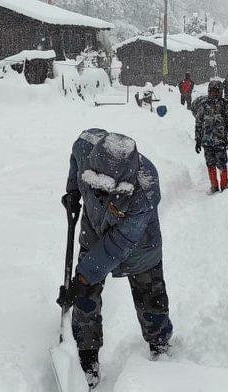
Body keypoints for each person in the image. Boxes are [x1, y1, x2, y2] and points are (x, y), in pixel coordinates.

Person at [58, 129, 174, 388]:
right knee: (85, 301)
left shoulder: (146, 187)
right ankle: (86, 358)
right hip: (93, 234)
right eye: (95, 185)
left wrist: (82, 278)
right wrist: (73, 190)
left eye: (107, 189)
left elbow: (119, 244)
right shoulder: (86, 146)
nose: (99, 193)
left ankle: (160, 344)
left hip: (141, 248)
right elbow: (76, 157)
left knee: (151, 298)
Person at [193, 80, 228, 193]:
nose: (214, 93)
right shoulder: (203, 105)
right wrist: (198, 140)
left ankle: (224, 186)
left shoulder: (225, 105)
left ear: (220, 92)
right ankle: (214, 185)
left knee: (221, 163)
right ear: (209, 91)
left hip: (220, 141)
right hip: (206, 142)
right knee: (210, 164)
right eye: (212, 91)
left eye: (216, 91)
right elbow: (198, 123)